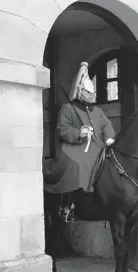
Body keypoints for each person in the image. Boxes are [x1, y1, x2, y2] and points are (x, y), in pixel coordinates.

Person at [44, 61, 116, 222]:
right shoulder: (67, 109)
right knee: (76, 165)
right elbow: (62, 129)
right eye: (87, 91)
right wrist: (79, 133)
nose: (91, 95)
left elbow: (106, 125)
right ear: (80, 91)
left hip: (97, 147)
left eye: (92, 92)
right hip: (73, 148)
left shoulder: (97, 111)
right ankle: (66, 205)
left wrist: (109, 137)